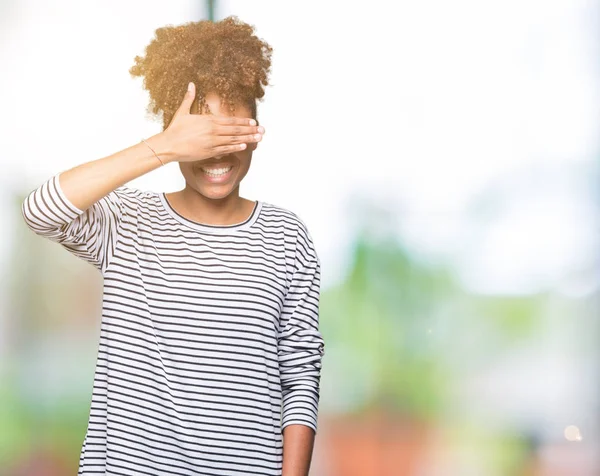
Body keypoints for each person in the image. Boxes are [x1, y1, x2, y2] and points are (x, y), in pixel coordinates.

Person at [21, 16, 325, 476]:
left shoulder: (286, 236)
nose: (216, 153)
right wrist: (164, 146)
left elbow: (300, 371)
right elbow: (40, 210)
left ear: (256, 129)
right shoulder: (125, 221)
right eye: (200, 137)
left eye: (229, 132)